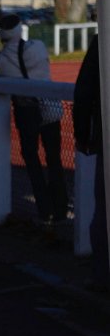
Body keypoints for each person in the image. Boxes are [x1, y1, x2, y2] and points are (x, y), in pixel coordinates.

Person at [0, 13, 67, 223]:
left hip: (25, 112)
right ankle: (60, 207)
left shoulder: (0, 61)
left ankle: (44, 208)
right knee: (54, 158)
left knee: (31, 158)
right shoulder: (38, 47)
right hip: (49, 106)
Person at [73, 34, 109, 291]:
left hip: (106, 138)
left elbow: (84, 91)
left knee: (104, 210)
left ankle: (102, 276)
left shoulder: (103, 38)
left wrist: (83, 134)